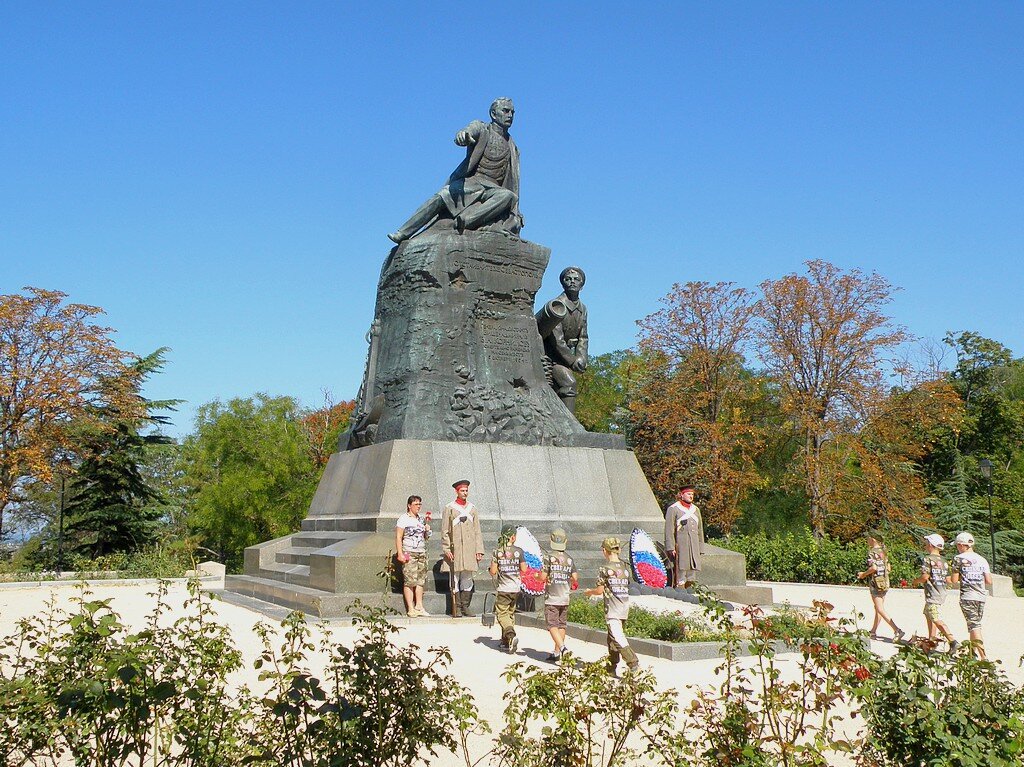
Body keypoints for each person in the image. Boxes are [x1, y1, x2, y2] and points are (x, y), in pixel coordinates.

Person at [388, 97, 523, 243]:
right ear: (493, 114)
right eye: (506, 111)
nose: (510, 115)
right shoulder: (482, 128)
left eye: (512, 112)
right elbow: (470, 131)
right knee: (442, 196)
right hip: (473, 181)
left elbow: (512, 181)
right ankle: (403, 232)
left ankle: (465, 221)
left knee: (508, 196)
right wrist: (464, 135)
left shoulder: (512, 146)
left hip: (493, 188)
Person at [584, 537, 639, 676]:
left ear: (604, 551)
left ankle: (633, 663)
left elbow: (599, 591)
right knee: (612, 638)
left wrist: (589, 592)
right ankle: (611, 668)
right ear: (618, 550)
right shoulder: (625, 568)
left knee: (618, 638)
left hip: (612, 609)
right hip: (624, 607)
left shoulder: (605, 569)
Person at [539, 267, 589, 414]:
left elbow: (583, 337)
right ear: (562, 283)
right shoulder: (557, 306)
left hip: (565, 358)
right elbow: (557, 340)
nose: (572, 282)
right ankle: (571, 427)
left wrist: (581, 357)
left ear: (582, 284)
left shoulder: (583, 309)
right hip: (551, 357)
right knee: (569, 383)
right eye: (568, 279)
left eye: (576, 279)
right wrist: (573, 361)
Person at [440, 479, 485, 617]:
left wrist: (479, 550)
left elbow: (477, 531)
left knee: (467, 578)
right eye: (462, 491)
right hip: (456, 549)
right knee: (454, 578)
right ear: (457, 492)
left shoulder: (472, 508)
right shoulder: (450, 508)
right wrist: (447, 549)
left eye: (466, 491)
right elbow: (445, 531)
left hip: (469, 549)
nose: (465, 493)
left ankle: (465, 606)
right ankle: (457, 607)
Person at [910, 533, 957, 650]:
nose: (925, 545)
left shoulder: (928, 559)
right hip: (941, 592)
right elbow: (948, 579)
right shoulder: (944, 561)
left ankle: (953, 641)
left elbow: (925, 577)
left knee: (935, 618)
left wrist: (915, 581)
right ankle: (932, 641)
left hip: (933, 594)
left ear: (931, 545)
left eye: (927, 543)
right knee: (928, 614)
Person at [950, 531, 993, 659]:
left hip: (967, 596)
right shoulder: (982, 559)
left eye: (958, 545)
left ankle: (984, 658)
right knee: (974, 625)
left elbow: (954, 580)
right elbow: (989, 581)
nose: (957, 548)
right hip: (981, 597)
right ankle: (971, 653)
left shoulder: (958, 559)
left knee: (974, 627)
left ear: (963, 545)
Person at [856, 531, 905, 642]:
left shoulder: (872, 552)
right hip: (884, 582)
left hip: (875, 583)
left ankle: (897, 630)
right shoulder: (883, 552)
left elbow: (873, 568)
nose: (867, 540)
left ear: (873, 539)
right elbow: (888, 568)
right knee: (878, 608)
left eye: (868, 538)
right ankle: (873, 631)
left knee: (880, 608)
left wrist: (863, 574)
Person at [539, 527, 579, 662]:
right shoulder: (569, 559)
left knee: (551, 625)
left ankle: (562, 648)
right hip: (565, 596)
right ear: (565, 541)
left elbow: (543, 576)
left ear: (551, 540)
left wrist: (537, 577)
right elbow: (574, 577)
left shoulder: (548, 557)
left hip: (552, 597)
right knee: (562, 625)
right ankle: (556, 652)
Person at [489, 525, 528, 653]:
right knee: (510, 613)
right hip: (515, 588)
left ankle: (510, 635)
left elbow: (493, 571)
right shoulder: (519, 551)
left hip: (503, 588)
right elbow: (524, 569)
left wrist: (493, 569)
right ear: (513, 537)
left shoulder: (498, 551)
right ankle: (505, 641)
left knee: (501, 614)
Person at [395, 495, 432, 617]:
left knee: (420, 580)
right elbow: (399, 536)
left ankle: (419, 606)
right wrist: (400, 553)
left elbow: (425, 537)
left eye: (420, 504)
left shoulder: (421, 519)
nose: (418, 506)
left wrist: (427, 530)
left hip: (421, 551)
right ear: (409, 505)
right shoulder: (403, 519)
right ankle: (410, 608)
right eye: (416, 504)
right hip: (409, 551)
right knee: (410, 580)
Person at [664, 485, 705, 588]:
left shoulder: (696, 510)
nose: (691, 496)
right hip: (681, 544)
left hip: (694, 545)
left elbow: (700, 530)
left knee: (692, 569)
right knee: (681, 569)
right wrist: (671, 547)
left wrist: (701, 547)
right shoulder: (673, 509)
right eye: (688, 494)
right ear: (682, 495)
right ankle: (680, 587)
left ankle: (690, 588)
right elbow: (669, 529)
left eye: (692, 494)